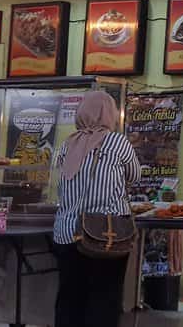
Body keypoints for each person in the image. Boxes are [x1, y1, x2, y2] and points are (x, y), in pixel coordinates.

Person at [52, 91, 141, 327]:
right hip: (106, 234)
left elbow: (57, 182)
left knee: (70, 298)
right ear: (109, 114)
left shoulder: (65, 145)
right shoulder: (117, 142)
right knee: (105, 297)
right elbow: (134, 176)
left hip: (67, 234)